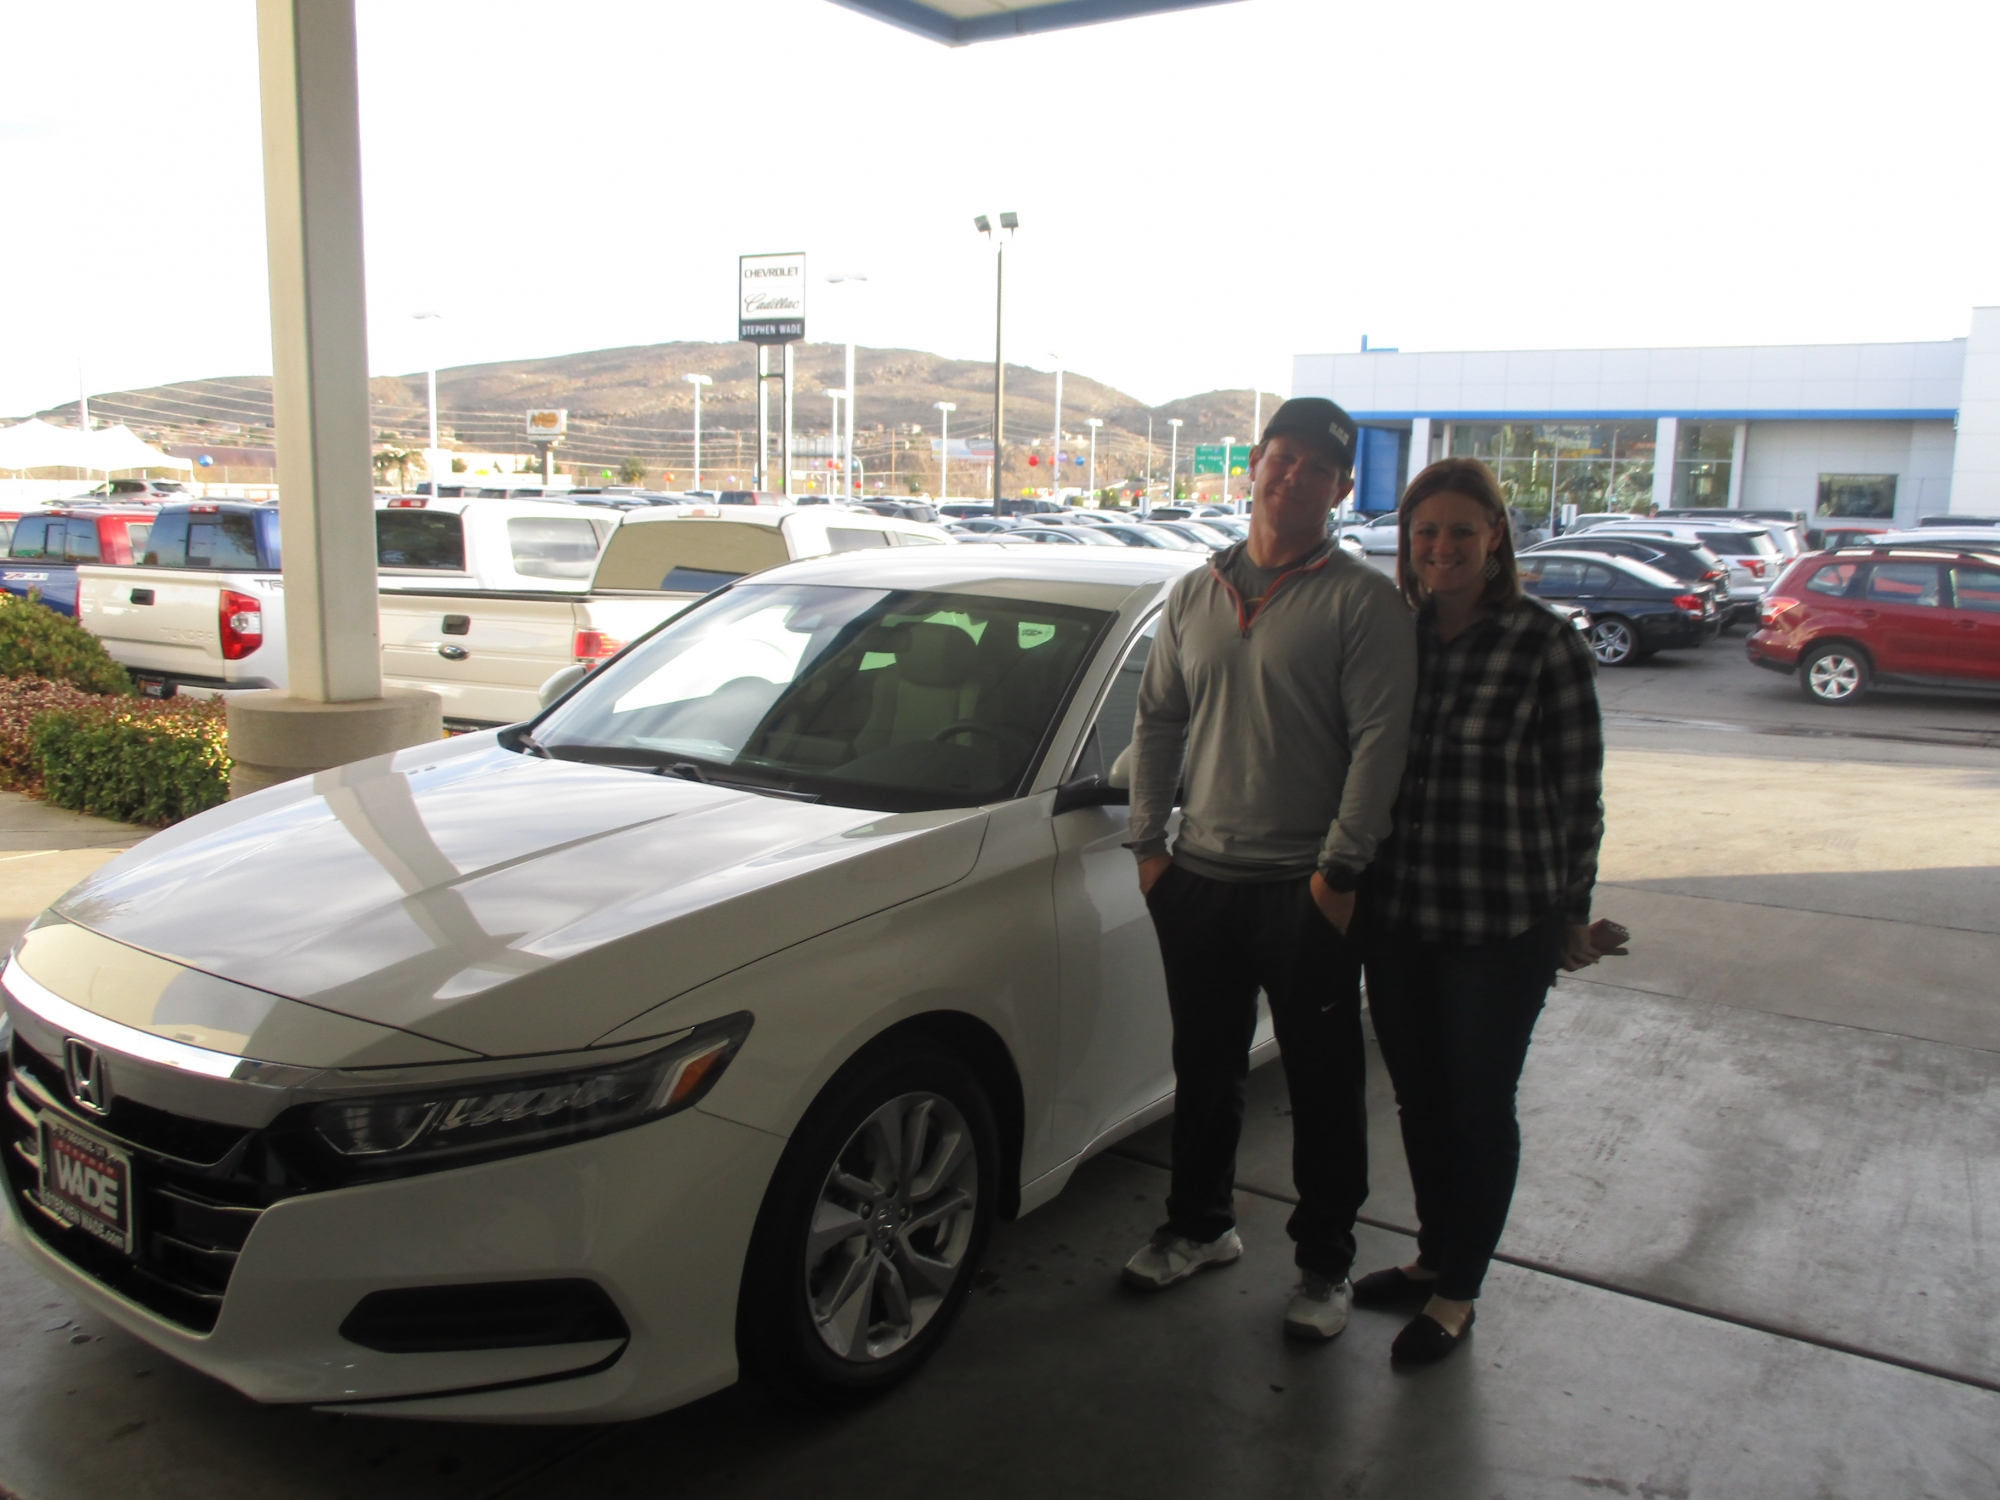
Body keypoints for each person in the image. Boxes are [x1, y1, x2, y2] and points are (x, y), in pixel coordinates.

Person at [1121, 397, 1418, 1343]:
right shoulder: (1194, 591)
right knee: (1204, 1071)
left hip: (1306, 892)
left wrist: (1338, 873)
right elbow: (1157, 722)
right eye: (1282, 458)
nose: (1294, 477)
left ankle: (1326, 1265)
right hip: (1198, 879)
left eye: (1317, 468)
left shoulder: (1363, 602)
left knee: (1324, 1088)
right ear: (1255, 464)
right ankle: (1199, 1227)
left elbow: (1381, 744)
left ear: (1341, 488)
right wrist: (1149, 848)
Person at [1352, 457, 1627, 1365]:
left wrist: (1572, 914)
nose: (1442, 547)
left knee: (1477, 1106)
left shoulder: (1544, 644)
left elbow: (1579, 794)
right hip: (1400, 915)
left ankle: (1459, 1290)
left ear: (1496, 537)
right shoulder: (1397, 636)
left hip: (1500, 924)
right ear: (1407, 541)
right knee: (1420, 1101)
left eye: (1461, 531)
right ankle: (1435, 1255)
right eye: (1426, 531)